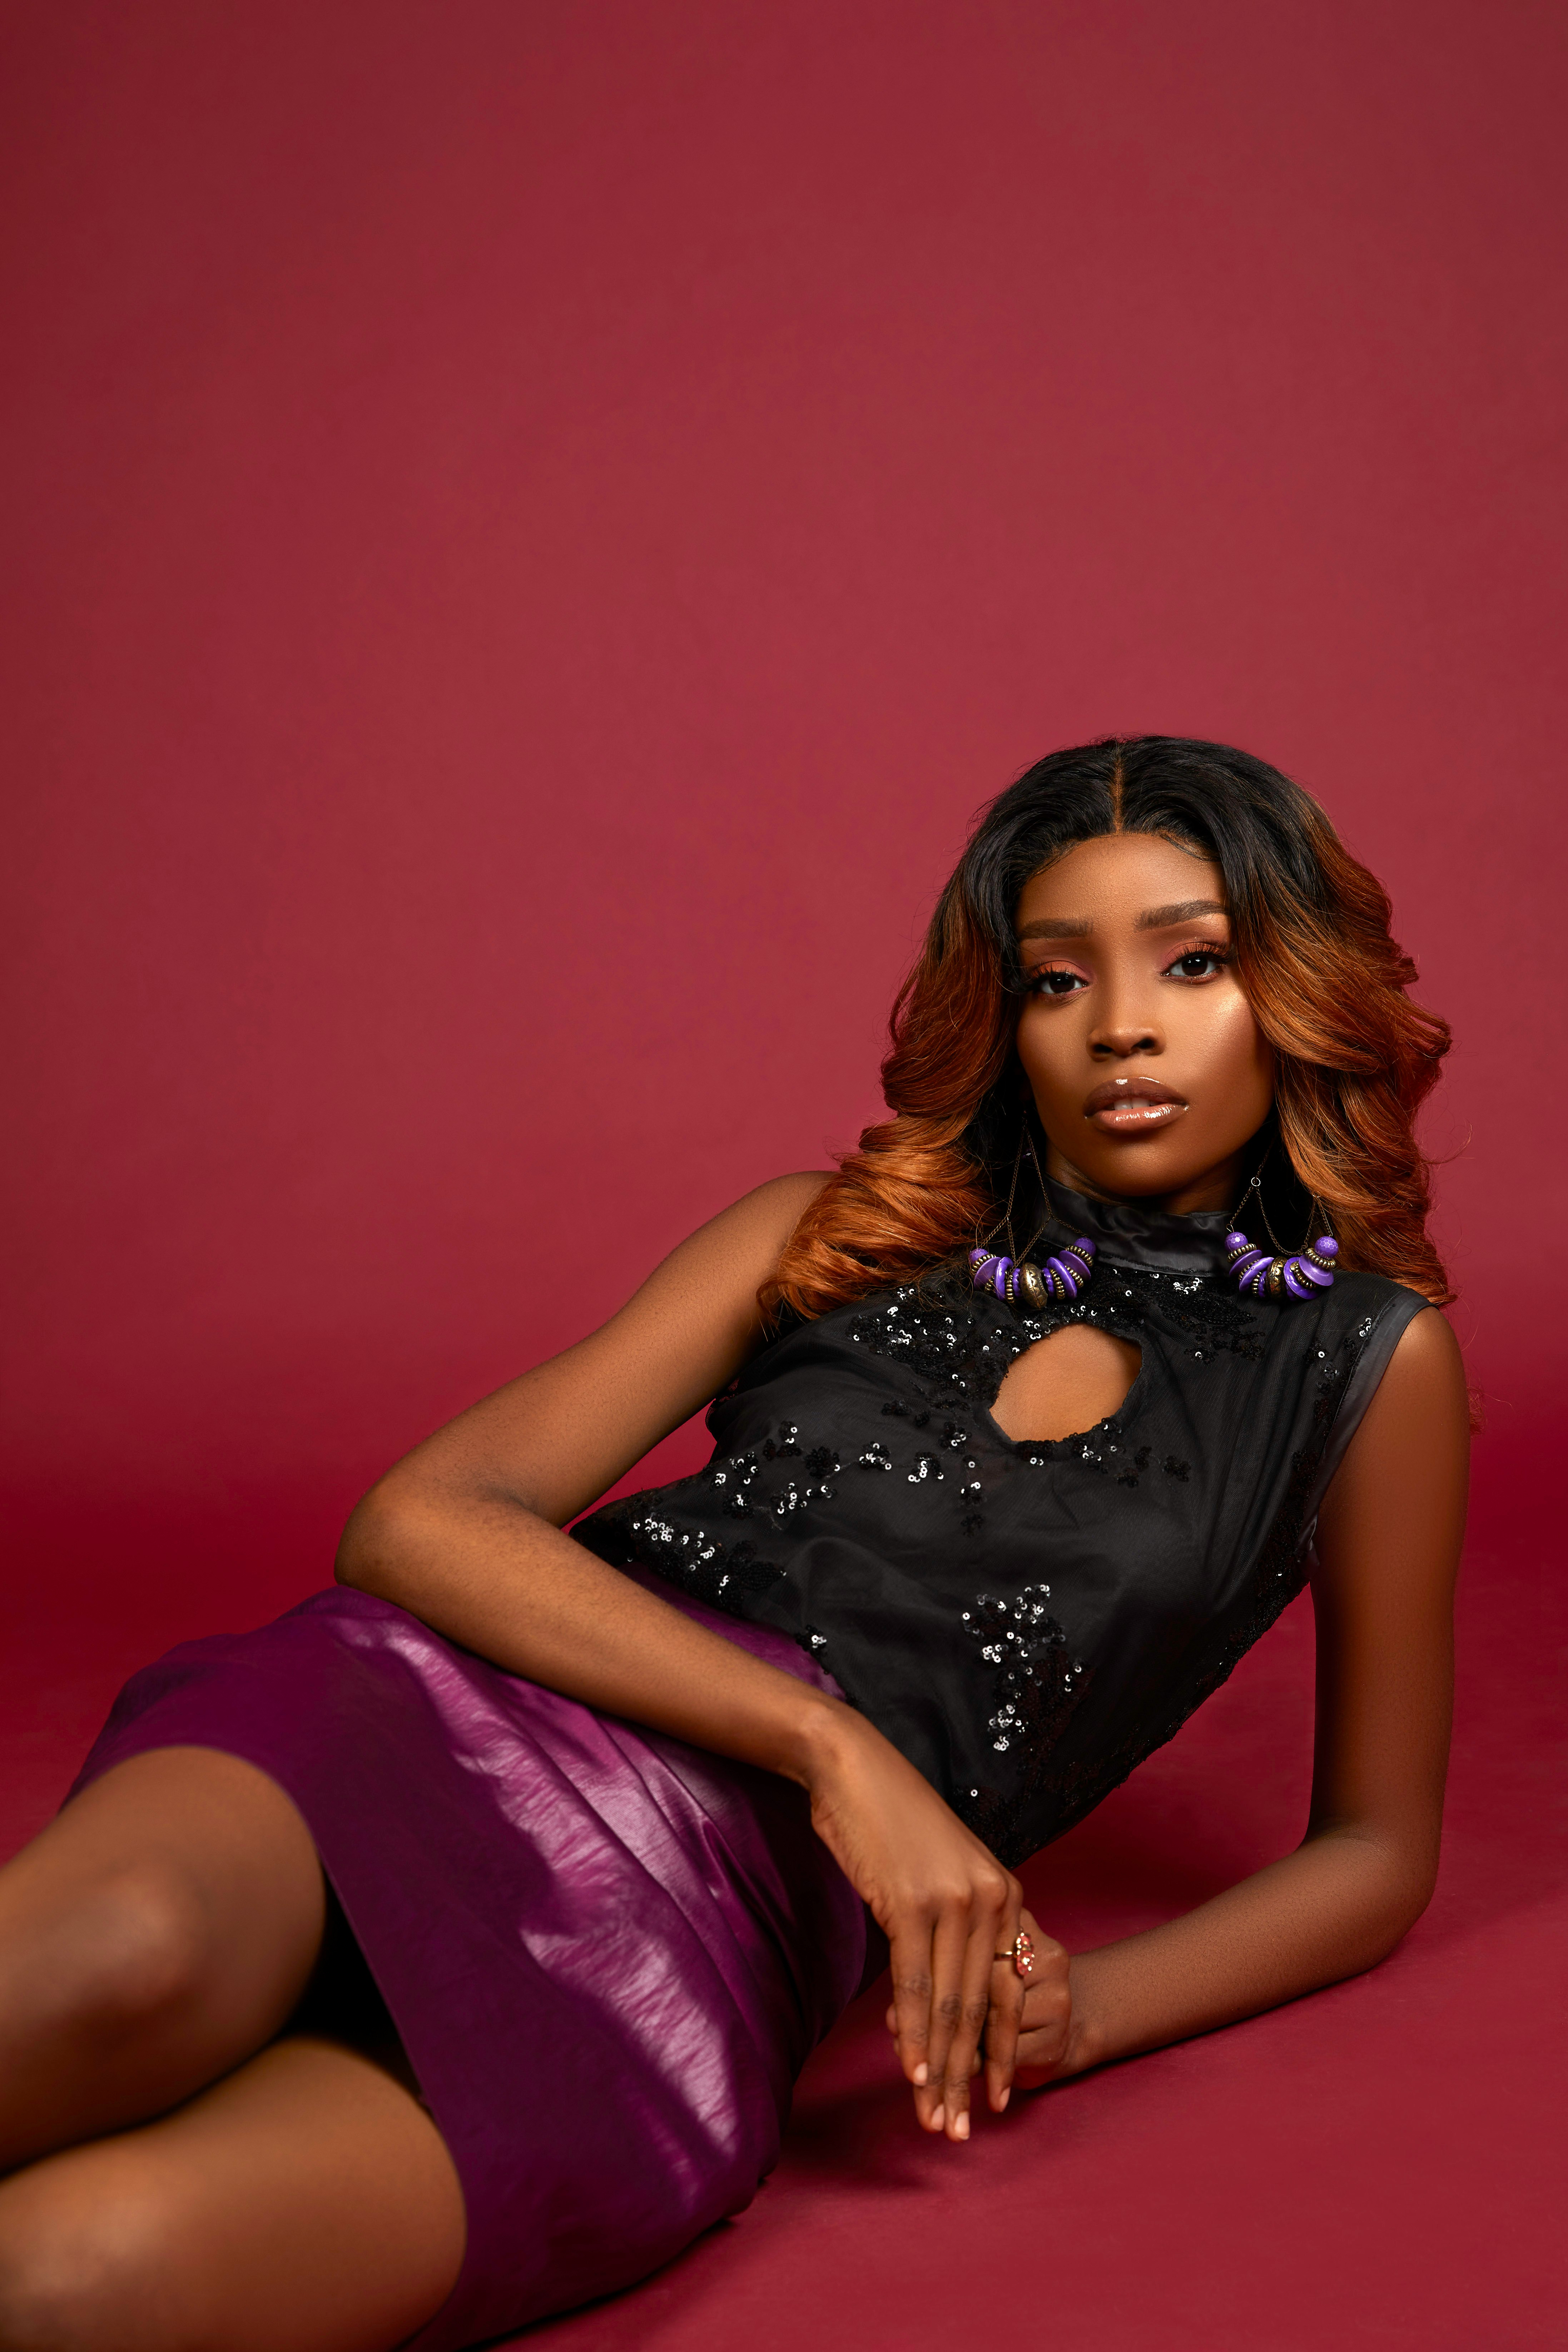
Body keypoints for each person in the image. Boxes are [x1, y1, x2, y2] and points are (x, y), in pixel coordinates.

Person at [0, 737, 1469, 2352]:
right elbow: (416, 1519)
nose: (1120, 1022)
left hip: (693, 1952)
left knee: (74, 2270)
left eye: (1191, 961)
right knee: (120, 1953)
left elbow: (1373, 1852)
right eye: (1057, 980)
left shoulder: (1362, 1364)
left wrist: (1080, 2011)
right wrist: (833, 1751)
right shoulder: (820, 1233)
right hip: (424, 1722)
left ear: (1294, 980)